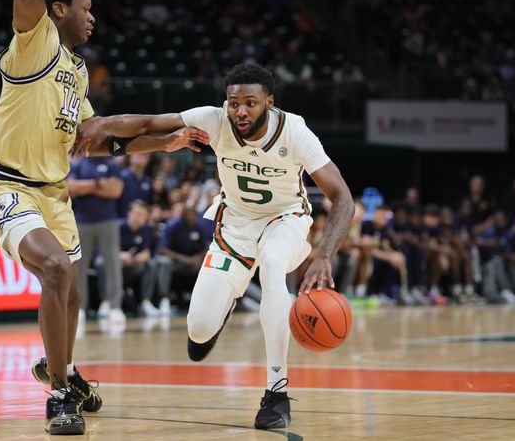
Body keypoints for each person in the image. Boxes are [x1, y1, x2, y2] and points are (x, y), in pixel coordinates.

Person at [0, 0, 208, 435]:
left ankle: (64, 370)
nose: (93, 17)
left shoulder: (75, 72)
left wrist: (161, 142)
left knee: (71, 291)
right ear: (59, 11)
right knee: (56, 271)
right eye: (85, 8)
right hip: (8, 185)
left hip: (54, 194)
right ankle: (59, 396)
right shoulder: (34, 44)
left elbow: (95, 138)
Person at [76, 62, 355, 430]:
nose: (240, 111)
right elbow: (148, 124)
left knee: (273, 264)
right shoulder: (212, 118)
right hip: (234, 227)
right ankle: (221, 309)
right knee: (199, 331)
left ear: (269, 103)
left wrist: (323, 255)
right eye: (234, 103)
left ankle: (276, 392)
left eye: (251, 104)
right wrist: (105, 122)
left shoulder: (294, 131)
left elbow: (343, 198)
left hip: (285, 220)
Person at [68, 155, 125, 325]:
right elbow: (71, 188)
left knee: (113, 264)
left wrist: (86, 186)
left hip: (108, 220)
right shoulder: (78, 164)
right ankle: (81, 308)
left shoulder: (111, 163)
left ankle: (115, 307)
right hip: (82, 222)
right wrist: (99, 183)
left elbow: (116, 190)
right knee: (80, 267)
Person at [119, 199, 159, 317]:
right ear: (129, 213)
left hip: (134, 264)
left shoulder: (145, 229)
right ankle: (107, 303)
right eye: (137, 213)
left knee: (151, 264)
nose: (139, 217)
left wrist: (138, 258)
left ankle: (145, 302)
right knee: (103, 263)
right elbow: (105, 251)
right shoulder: (118, 227)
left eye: (143, 215)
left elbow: (146, 253)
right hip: (118, 264)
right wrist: (121, 255)